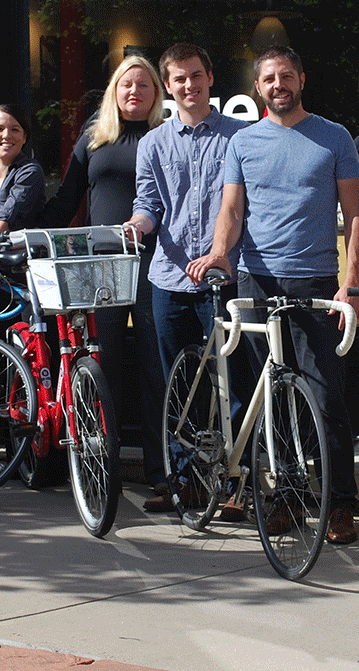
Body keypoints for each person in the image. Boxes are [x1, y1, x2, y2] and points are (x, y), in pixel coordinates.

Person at [186, 45, 359, 545]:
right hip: (256, 282)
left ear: (302, 79)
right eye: (269, 78)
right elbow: (232, 210)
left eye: (286, 75)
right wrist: (221, 251)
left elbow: (354, 217)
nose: (278, 84)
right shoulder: (243, 142)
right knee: (270, 394)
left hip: (313, 281)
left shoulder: (333, 137)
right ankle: (283, 495)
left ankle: (339, 504)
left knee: (325, 395)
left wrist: (350, 283)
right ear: (258, 87)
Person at [126, 43, 250, 515]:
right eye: (179, 79)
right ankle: (188, 484)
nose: (189, 86)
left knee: (234, 382)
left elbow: (243, 206)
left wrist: (225, 254)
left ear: (210, 78)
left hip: (224, 278)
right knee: (178, 384)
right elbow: (149, 205)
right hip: (169, 280)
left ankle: (238, 483)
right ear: (168, 86)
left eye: (195, 76)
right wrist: (137, 225)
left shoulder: (240, 136)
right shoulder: (153, 143)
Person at [42, 55, 165, 487]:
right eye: (126, 84)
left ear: (156, 93)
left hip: (155, 264)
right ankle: (100, 469)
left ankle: (162, 473)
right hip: (103, 265)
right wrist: (30, 233)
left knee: (156, 366)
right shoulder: (95, 135)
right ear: (114, 90)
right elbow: (67, 197)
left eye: (144, 85)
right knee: (102, 363)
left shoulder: (165, 135)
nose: (134, 92)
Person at [0, 103, 45, 264]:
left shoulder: (30, 171)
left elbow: (6, 218)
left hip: (24, 266)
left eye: (15, 130)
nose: (6, 135)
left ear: (24, 137)